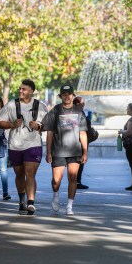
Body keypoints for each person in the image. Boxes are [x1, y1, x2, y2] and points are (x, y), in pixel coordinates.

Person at [0, 79, 48, 215]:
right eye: (20, 88)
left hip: (33, 144)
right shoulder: (11, 105)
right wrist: (12, 124)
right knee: (19, 174)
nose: (20, 91)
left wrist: (39, 126)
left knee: (30, 173)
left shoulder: (40, 106)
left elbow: (47, 125)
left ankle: (31, 203)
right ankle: (22, 201)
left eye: (23, 89)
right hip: (15, 145)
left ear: (31, 91)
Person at [42, 84, 88, 215]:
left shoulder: (79, 112)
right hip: (58, 151)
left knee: (73, 178)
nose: (67, 96)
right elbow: (49, 133)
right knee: (56, 180)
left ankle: (69, 206)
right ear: (61, 96)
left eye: (69, 94)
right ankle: (56, 196)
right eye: (64, 94)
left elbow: (83, 134)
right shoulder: (55, 111)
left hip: (75, 151)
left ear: (73, 96)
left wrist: (85, 152)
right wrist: (48, 151)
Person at [73, 96, 94, 189]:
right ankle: (76, 182)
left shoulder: (77, 113)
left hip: (81, 141)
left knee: (79, 163)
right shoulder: (77, 114)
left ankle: (76, 181)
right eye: (83, 103)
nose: (84, 105)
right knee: (79, 163)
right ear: (78, 104)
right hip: (79, 142)